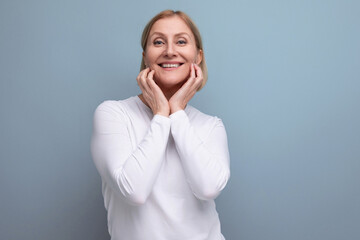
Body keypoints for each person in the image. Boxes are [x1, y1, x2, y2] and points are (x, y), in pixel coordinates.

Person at [91, 9, 230, 240]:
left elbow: (208, 188)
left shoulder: (211, 126)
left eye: (181, 41)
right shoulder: (113, 114)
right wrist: (161, 115)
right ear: (146, 56)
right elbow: (133, 190)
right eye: (158, 42)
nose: (170, 51)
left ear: (198, 57)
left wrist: (176, 113)